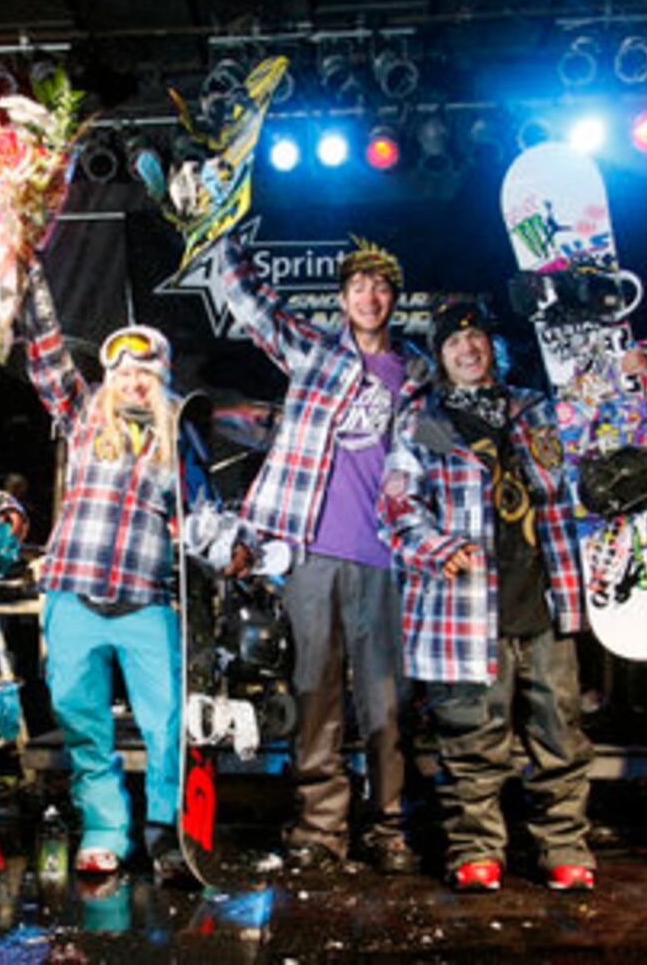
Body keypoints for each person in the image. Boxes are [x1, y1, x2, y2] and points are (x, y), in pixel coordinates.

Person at [212, 233, 431, 873]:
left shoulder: (416, 372)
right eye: (359, 287)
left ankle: (388, 826)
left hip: (387, 557)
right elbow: (248, 300)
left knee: (386, 702)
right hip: (313, 552)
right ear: (341, 301)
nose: (371, 296)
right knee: (316, 694)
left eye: (382, 287)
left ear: (395, 299)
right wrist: (224, 232)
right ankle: (320, 828)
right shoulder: (314, 349)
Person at [378, 300, 598, 891]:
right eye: (453, 344)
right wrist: (433, 546)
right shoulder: (421, 419)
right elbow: (397, 505)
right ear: (441, 357)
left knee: (559, 732)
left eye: (476, 340)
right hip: (465, 610)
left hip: (544, 602)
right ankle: (478, 849)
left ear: (492, 349)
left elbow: (576, 469)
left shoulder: (534, 408)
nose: (467, 350)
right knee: (473, 739)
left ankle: (563, 847)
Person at [21, 286, 237, 883]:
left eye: (147, 371)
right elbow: (43, 351)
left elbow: (203, 518)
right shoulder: (83, 414)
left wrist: (235, 549)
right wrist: (28, 266)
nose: (134, 382)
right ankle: (106, 828)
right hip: (74, 590)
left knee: (167, 721)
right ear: (108, 376)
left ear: (163, 378)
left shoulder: (177, 437)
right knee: (78, 713)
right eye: (123, 370)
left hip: (146, 600)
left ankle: (166, 832)